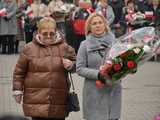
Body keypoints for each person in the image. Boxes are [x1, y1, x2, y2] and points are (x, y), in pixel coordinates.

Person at [12, 17, 76, 120]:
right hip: (35, 99)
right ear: (38, 32)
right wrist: (17, 90)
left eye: (51, 33)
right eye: (45, 33)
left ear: (56, 32)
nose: (48, 36)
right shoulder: (29, 48)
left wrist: (72, 65)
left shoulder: (65, 48)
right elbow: (19, 72)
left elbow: (78, 65)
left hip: (58, 99)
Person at [76, 13, 121, 120]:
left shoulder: (116, 43)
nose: (97, 25)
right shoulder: (84, 45)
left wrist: (130, 68)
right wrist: (98, 74)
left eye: (100, 23)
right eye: (94, 23)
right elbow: (79, 68)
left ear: (105, 25)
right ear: (89, 27)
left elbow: (122, 63)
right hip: (94, 91)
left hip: (112, 91)